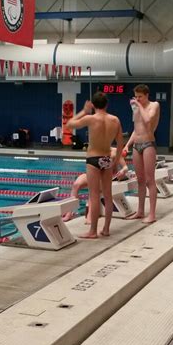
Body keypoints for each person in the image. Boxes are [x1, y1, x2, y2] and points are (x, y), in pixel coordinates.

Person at [66, 92, 123, 238]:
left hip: (93, 159)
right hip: (107, 158)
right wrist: (116, 162)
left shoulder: (90, 118)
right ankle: (106, 229)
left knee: (94, 195)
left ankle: (93, 231)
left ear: (94, 105)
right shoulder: (115, 120)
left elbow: (69, 124)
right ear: (106, 104)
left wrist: (84, 111)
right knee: (108, 196)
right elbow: (120, 144)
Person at [123, 83, 160, 223]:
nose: (137, 99)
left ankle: (152, 214)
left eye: (140, 97)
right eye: (136, 96)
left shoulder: (154, 105)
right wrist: (127, 145)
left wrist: (138, 106)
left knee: (150, 180)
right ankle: (140, 211)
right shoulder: (137, 108)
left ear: (147, 95)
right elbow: (136, 129)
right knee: (140, 181)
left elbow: (148, 120)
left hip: (148, 144)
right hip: (136, 146)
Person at [62, 148, 130, 223]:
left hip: (106, 178)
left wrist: (123, 171)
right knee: (76, 184)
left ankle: (90, 216)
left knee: (93, 187)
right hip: (93, 175)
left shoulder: (114, 151)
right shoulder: (94, 149)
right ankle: (69, 213)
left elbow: (125, 167)